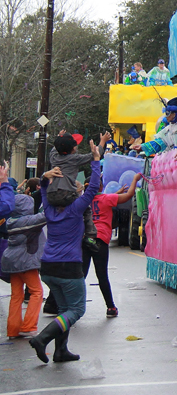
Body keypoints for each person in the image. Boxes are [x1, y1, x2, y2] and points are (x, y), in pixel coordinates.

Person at [30, 133, 108, 364]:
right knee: (76, 310)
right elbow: (93, 187)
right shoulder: (76, 208)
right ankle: (42, 339)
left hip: (48, 268)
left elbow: (43, 189)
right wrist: (95, 160)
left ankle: (61, 351)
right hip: (68, 267)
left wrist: (45, 177)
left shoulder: (49, 210)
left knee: (64, 308)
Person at [83, 172, 141, 318]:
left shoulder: (82, 201)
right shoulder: (107, 199)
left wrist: (116, 193)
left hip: (84, 240)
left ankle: (72, 305)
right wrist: (134, 179)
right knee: (102, 275)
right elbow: (129, 195)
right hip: (100, 239)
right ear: (101, 186)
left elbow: (97, 201)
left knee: (80, 275)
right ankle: (110, 307)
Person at [2, 186, 46, 338]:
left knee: (16, 295)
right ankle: (28, 326)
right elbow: (46, 216)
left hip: (12, 261)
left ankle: (13, 329)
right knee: (37, 292)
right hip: (26, 261)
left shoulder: (11, 221)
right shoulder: (27, 221)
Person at [47, 131, 100, 253]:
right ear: (73, 149)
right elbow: (91, 157)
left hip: (51, 194)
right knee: (85, 208)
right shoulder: (74, 159)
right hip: (66, 193)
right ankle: (90, 234)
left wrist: (59, 137)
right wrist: (97, 150)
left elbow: (53, 150)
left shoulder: (54, 158)